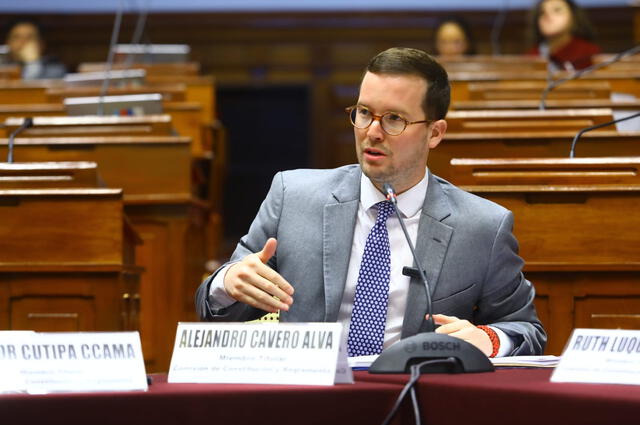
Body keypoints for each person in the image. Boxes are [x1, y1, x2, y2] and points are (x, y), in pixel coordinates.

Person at [196, 47, 546, 358]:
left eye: (394, 119)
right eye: (364, 112)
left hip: (415, 399)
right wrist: (225, 284)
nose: (372, 132)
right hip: (308, 400)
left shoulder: (482, 226)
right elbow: (217, 307)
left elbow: (526, 330)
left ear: (435, 133)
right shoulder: (293, 196)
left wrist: (487, 338)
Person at [528, 0, 601, 71]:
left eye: (557, 10)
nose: (547, 16)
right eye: (542, 12)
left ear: (573, 16)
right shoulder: (532, 56)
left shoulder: (589, 53)